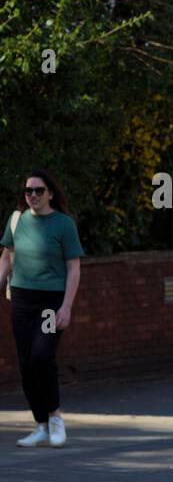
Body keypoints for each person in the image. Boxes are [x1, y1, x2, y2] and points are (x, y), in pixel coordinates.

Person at [0, 171, 85, 447]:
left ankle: (55, 416)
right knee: (26, 364)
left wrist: (67, 307)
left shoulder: (63, 224)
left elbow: (74, 267)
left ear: (50, 193)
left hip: (49, 303)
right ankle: (40, 424)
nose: (33, 195)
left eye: (38, 190)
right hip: (22, 301)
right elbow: (5, 259)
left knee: (42, 356)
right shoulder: (17, 220)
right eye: (28, 191)